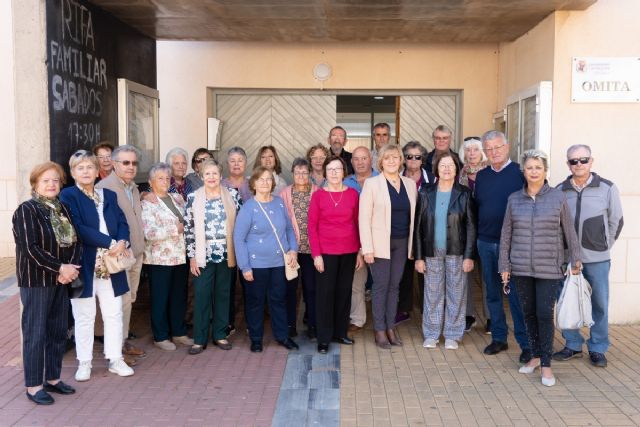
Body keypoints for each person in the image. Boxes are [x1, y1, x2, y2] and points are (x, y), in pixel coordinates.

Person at [499, 149, 581, 387]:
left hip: (549, 268)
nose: (533, 171)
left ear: (545, 171)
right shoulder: (514, 199)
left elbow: (569, 231)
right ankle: (535, 356)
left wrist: (575, 259)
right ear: (523, 172)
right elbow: (506, 235)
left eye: (538, 167)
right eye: (529, 168)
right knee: (528, 315)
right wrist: (504, 265)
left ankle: (546, 365)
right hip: (521, 267)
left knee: (545, 315)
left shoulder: (558, 197)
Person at [60, 151, 135, 382]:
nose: (85, 171)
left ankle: (115, 359)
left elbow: (123, 223)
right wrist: (110, 242)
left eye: (89, 167)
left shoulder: (108, 195)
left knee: (113, 313)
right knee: (84, 315)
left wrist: (122, 241)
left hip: (112, 264)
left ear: (97, 170)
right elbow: (78, 228)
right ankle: (84, 362)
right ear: (73, 172)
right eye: (80, 167)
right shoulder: (68, 195)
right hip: (83, 264)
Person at [13, 162, 81, 405]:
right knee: (35, 334)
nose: (51, 184)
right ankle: (33, 386)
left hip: (62, 280)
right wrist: (60, 268)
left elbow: (76, 241)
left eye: (55, 180)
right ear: (35, 184)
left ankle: (52, 379)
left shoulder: (63, 208)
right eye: (45, 181)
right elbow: (30, 249)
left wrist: (70, 269)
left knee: (57, 332)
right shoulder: (26, 210)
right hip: (36, 282)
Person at [553, 144, 624, 368]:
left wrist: (604, 245)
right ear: (568, 164)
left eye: (583, 160)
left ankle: (598, 347)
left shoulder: (607, 188)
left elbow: (616, 221)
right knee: (567, 302)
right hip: (567, 259)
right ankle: (573, 344)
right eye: (574, 161)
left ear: (591, 161)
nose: (579, 164)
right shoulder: (560, 190)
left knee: (599, 303)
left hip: (597, 259)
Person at [475, 130, 531, 363]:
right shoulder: (482, 176)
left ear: (507, 147)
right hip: (486, 242)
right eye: (488, 149)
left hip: (514, 244)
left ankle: (526, 344)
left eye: (497, 147)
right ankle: (499, 337)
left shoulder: (520, 173)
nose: (493, 152)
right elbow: (477, 206)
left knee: (517, 295)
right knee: (492, 293)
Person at [414, 152, 476, 350]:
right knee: (432, 293)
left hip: (457, 251)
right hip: (432, 250)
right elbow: (418, 227)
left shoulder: (464, 193)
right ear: (436, 170)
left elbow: (471, 227)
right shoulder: (425, 192)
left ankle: (452, 334)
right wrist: (419, 257)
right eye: (443, 165)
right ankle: (431, 334)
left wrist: (468, 256)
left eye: (451, 165)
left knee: (456, 293)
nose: (447, 169)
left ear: (457, 169)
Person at [233, 166, 299, 353]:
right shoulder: (248, 207)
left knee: (278, 300)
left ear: (273, 183)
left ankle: (282, 336)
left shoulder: (279, 203)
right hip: (256, 265)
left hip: (279, 263)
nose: (265, 183)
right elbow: (239, 238)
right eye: (261, 179)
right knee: (256, 302)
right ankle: (256, 339)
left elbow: (288, 229)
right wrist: (245, 266)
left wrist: (293, 250)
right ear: (253, 183)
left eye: (268, 179)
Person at [359, 144, 417, 348]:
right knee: (381, 287)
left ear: (401, 160)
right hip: (379, 244)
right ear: (381, 162)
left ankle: (391, 326)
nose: (392, 161)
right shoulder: (372, 184)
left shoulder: (410, 184)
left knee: (395, 286)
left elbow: (414, 217)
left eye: (395, 157)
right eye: (387, 158)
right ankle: (380, 329)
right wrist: (367, 248)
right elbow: (363, 218)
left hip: (402, 242)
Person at [95, 145, 147, 363]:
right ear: (114, 164)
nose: (131, 167)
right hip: (117, 256)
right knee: (118, 303)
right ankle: (115, 351)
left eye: (134, 163)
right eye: (125, 162)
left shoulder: (133, 187)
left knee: (129, 300)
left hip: (135, 253)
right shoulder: (103, 188)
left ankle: (122, 342)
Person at [308, 156, 363, 354]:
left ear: (344, 172)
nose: (333, 173)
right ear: (325, 172)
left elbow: (358, 224)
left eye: (337, 169)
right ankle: (324, 338)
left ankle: (340, 332)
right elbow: (312, 227)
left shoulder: (352, 195)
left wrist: (359, 251)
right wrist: (316, 255)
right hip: (326, 253)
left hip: (349, 251)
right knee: (325, 295)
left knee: (343, 293)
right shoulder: (318, 196)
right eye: (330, 169)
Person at [184, 160, 240, 354]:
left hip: (226, 254)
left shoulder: (232, 195)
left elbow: (240, 225)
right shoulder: (193, 197)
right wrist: (192, 257)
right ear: (201, 176)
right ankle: (199, 339)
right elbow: (189, 231)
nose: (211, 177)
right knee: (201, 296)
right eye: (207, 174)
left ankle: (220, 335)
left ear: (220, 175)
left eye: (215, 173)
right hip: (202, 255)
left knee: (223, 295)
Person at [141, 162, 193, 351]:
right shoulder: (146, 203)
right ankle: (161, 335)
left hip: (180, 256)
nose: (164, 181)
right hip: (160, 259)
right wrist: (174, 229)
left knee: (179, 296)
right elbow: (148, 232)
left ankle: (178, 332)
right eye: (160, 178)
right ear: (151, 182)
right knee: (160, 297)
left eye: (166, 178)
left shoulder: (178, 198)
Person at [396, 140, 436, 323]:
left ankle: (428, 310)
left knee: (425, 272)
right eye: (408, 156)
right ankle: (403, 309)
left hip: (426, 233)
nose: (412, 160)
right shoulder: (396, 177)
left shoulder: (432, 179)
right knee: (403, 273)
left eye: (417, 157)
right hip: (403, 232)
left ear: (423, 159)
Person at [280, 158, 319, 339]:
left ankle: (312, 325)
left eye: (304, 172)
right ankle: (290, 326)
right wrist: (288, 248)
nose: (301, 176)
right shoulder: (285, 193)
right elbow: (281, 222)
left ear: (310, 173)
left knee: (311, 289)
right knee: (290, 289)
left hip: (312, 250)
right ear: (293, 174)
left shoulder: (318, 192)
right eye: (298, 173)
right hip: (292, 250)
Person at [343, 146, 378, 333]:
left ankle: (382, 321)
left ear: (370, 160)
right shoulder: (345, 182)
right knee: (356, 282)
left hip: (379, 239)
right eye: (356, 159)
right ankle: (357, 319)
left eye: (364, 158)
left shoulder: (381, 179)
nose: (360, 162)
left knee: (381, 283)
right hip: (354, 239)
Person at [458, 137, 489, 333]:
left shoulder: (490, 173)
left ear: (482, 152)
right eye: (468, 150)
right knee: (465, 274)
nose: (471, 154)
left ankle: (491, 317)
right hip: (464, 231)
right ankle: (468, 315)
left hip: (486, 229)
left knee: (488, 276)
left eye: (475, 150)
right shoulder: (459, 174)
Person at [220, 146, 251, 337]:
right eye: (233, 160)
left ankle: (251, 323)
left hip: (249, 242)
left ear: (246, 163)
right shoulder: (220, 184)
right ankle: (227, 323)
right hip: (226, 243)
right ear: (227, 164)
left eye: (240, 160)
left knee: (249, 284)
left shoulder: (253, 184)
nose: (237, 163)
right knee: (227, 285)